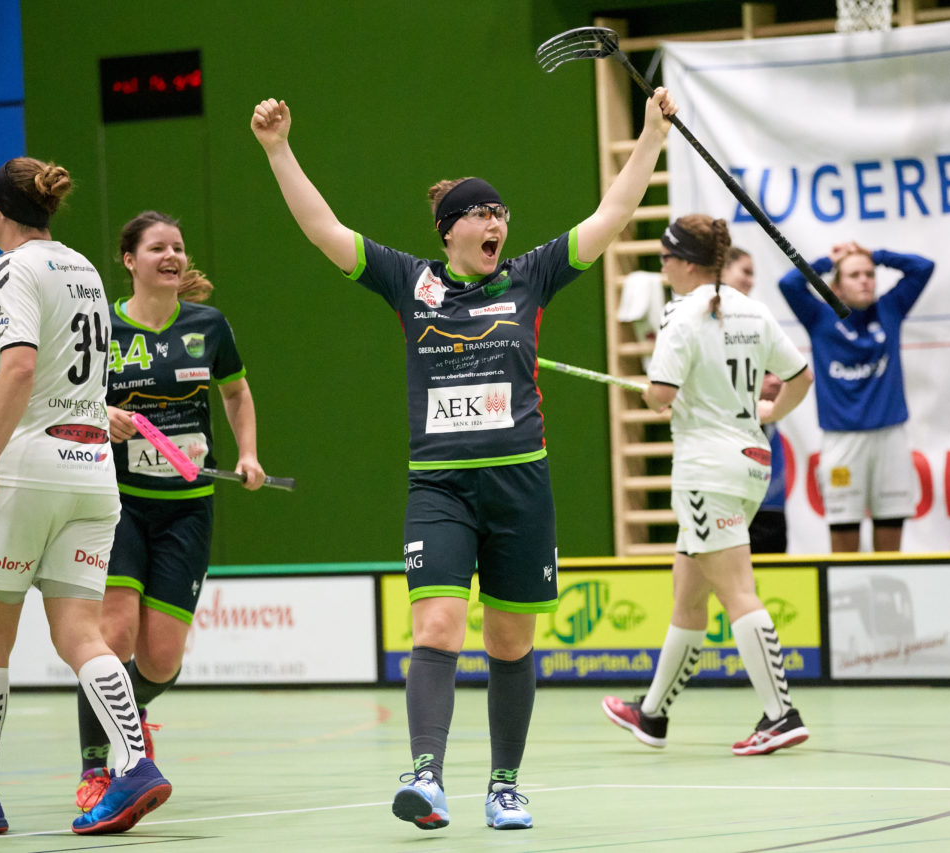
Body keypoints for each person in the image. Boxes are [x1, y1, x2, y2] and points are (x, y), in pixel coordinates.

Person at [250, 88, 676, 831]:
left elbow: (610, 219)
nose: (497, 223)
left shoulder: (531, 276)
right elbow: (325, 231)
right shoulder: (409, 284)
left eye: (502, 213)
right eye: (483, 213)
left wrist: (648, 137)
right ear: (450, 230)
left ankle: (505, 783)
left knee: (511, 641)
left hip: (520, 484)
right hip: (440, 486)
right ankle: (427, 776)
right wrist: (278, 148)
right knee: (437, 627)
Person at [0, 158, 170, 836]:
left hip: (30, 470)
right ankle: (133, 764)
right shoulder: (85, 269)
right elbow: (64, 387)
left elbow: (22, 366)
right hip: (91, 468)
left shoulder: (9, 270)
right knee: (82, 633)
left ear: (0, 208)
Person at [73, 211, 267, 811]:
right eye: (157, 248)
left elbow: (235, 392)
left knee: (160, 660)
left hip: (187, 510)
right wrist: (100, 415)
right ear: (129, 261)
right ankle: (98, 767)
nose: (171, 256)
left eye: (178, 248)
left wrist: (250, 454)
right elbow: (67, 394)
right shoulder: (101, 326)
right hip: (118, 503)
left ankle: (128, 718)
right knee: (113, 633)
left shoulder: (208, 325)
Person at [602, 214, 814, 756]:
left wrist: (647, 391)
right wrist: (767, 410)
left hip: (706, 472)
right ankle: (652, 713)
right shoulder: (753, 310)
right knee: (688, 597)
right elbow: (801, 377)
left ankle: (781, 713)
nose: (662, 265)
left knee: (737, 592)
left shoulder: (681, 319)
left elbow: (662, 397)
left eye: (666, 256)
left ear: (687, 263)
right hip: (748, 463)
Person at [778, 241, 934, 552]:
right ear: (835, 286)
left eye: (869, 274)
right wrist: (829, 261)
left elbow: (923, 267)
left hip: (890, 438)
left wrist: (875, 255)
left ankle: (886, 601)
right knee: (844, 544)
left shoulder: (889, 309)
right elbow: (789, 283)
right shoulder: (819, 317)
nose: (865, 280)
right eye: (854, 275)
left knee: (890, 544)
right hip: (842, 443)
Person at [721, 246, 786, 552]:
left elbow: (790, 376)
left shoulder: (758, 321)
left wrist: (771, 397)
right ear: (721, 271)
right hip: (722, 467)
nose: (749, 281)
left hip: (764, 466)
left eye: (752, 275)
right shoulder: (698, 321)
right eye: (744, 272)